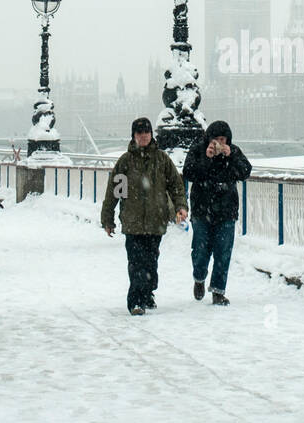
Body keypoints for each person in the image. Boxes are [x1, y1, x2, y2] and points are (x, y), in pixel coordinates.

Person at [101, 117, 188, 316]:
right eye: (139, 133)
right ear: (134, 136)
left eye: (146, 133)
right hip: (132, 222)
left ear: (151, 135)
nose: (143, 136)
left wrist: (180, 206)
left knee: (151, 262)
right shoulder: (125, 162)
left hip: (156, 222)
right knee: (136, 262)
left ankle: (148, 292)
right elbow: (114, 192)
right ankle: (135, 301)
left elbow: (176, 186)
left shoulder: (162, 160)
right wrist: (108, 219)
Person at [182, 120, 252, 306]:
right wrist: (207, 158)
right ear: (209, 139)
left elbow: (246, 172)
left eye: (224, 139)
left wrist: (231, 157)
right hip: (202, 210)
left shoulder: (234, 152)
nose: (220, 143)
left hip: (226, 211)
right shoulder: (198, 150)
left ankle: (218, 291)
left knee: (223, 253)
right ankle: (199, 277)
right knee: (200, 250)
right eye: (217, 139)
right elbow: (188, 173)